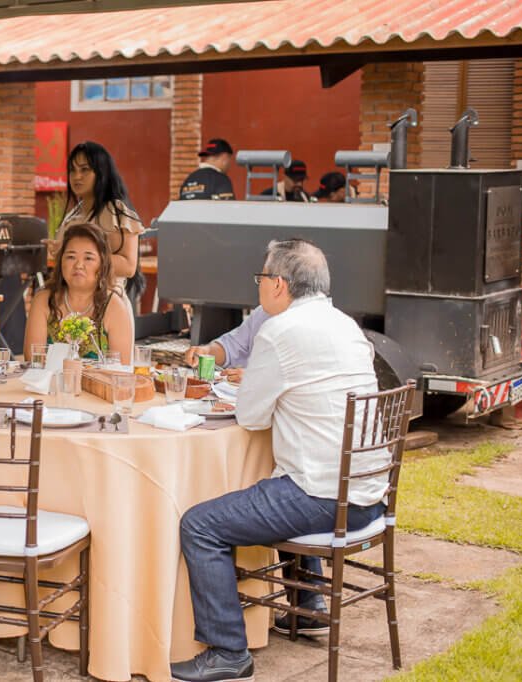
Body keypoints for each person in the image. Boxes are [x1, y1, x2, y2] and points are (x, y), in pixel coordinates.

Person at [172, 239, 388, 682]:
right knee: (277, 478)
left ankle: (228, 651)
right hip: (369, 493)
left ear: (278, 284)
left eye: (260, 279)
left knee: (200, 524)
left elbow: (251, 416)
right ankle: (307, 605)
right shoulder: (347, 326)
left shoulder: (279, 330)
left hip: (322, 498)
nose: (259, 288)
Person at [47, 141, 145, 302]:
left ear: (101, 173)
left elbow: (128, 266)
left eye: (85, 170)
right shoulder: (73, 215)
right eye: (72, 170)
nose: (77, 176)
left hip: (106, 303)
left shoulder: (114, 211)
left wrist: (80, 256)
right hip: (72, 302)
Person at [24, 222, 134, 364]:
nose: (78, 265)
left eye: (88, 258)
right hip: (49, 385)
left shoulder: (114, 306)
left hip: (98, 385)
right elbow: (34, 360)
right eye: (71, 257)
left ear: (102, 265)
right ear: (60, 261)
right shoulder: (43, 300)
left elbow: (120, 370)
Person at [183, 306, 270, 384]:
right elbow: (232, 346)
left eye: (260, 286)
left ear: (278, 288)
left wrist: (256, 377)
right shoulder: (262, 312)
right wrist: (207, 351)